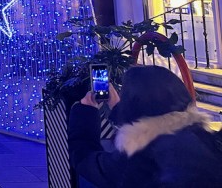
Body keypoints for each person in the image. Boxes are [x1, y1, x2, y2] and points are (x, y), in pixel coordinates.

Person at [69, 64, 222, 187]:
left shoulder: (134, 161)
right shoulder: (205, 140)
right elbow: (155, 125)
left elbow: (85, 159)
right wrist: (118, 110)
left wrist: (85, 111)